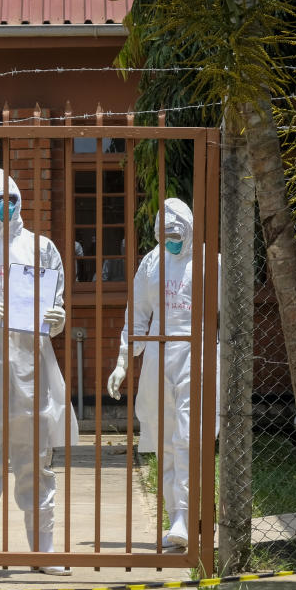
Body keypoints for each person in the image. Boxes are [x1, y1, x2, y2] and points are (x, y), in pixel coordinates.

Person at [0, 167, 79, 576]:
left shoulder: (42, 249)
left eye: (10, 199)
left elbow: (57, 307)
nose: (5, 208)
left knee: (36, 461)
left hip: (32, 367)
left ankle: (42, 552)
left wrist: (56, 317)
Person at [106, 197, 218, 549]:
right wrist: (124, 359)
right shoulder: (152, 262)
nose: (170, 238)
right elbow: (137, 312)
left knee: (189, 436)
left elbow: (232, 313)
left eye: (175, 231)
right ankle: (177, 519)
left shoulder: (209, 262)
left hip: (196, 351)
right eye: (164, 233)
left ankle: (191, 515)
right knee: (168, 439)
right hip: (157, 354)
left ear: (188, 227)